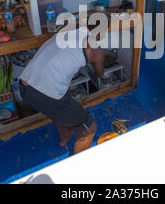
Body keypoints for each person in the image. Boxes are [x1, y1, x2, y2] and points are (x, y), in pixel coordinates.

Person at [19, 25, 105, 154]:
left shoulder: (65, 32)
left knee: (60, 98)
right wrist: (100, 59)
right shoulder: (95, 50)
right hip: (44, 95)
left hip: (24, 87)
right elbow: (100, 73)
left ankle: (65, 136)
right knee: (90, 128)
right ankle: (79, 165)